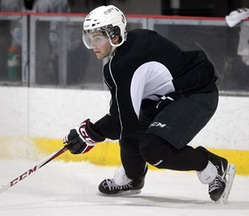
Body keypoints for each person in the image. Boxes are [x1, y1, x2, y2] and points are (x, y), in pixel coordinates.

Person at [63, 5, 236, 203]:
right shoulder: (132, 44)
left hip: (196, 94)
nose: (93, 45)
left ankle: (212, 166)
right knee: (130, 136)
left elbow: (121, 121)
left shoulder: (123, 63)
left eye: (98, 38)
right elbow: (123, 117)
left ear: (115, 36)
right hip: (168, 98)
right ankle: (133, 178)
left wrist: (90, 133)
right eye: (90, 38)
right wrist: (93, 131)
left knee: (153, 148)